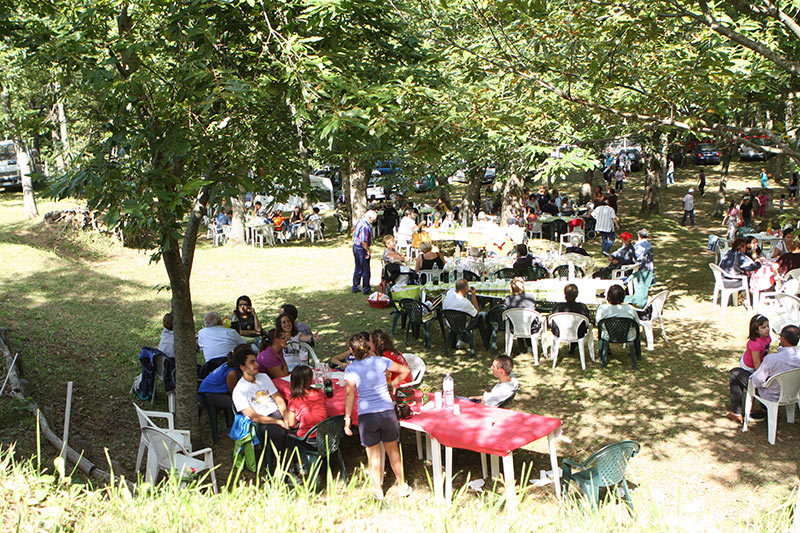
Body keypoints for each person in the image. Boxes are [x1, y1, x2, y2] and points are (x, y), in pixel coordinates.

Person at [344, 334, 412, 501]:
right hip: (387, 412)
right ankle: (402, 486)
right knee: (393, 451)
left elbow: (350, 395)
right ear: (368, 346)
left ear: (352, 351)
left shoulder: (351, 369)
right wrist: (394, 385)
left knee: (373, 455)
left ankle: (377, 490)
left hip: (367, 416)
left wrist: (347, 418)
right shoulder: (381, 361)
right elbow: (405, 370)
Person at [231, 347, 289, 457]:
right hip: (264, 420)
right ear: (242, 367)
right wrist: (278, 422)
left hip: (277, 412)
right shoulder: (239, 391)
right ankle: (279, 467)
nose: (257, 364)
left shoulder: (263, 377)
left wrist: (285, 415)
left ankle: (298, 460)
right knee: (277, 432)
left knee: (298, 422)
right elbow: (254, 416)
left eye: (256, 361)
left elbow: (278, 399)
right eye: (252, 362)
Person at [748, 325, 800, 420]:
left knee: (737, 375)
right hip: (794, 392)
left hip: (771, 395)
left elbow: (757, 381)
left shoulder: (772, 359)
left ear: (783, 339)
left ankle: (736, 412)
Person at [726, 315, 772, 423]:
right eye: (764, 327)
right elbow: (756, 362)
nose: (767, 329)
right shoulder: (755, 343)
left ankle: (736, 411)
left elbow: (767, 352)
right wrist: (760, 376)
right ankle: (739, 410)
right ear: (756, 330)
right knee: (750, 378)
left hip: (759, 363)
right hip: (748, 366)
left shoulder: (767, 338)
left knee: (738, 377)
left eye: (768, 326)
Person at [199, 344, 246, 415]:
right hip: (209, 395)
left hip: (218, 392)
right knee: (241, 404)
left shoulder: (231, 365)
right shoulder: (232, 372)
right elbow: (234, 393)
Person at [286, 365, 328, 438]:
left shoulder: (293, 399)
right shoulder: (319, 392)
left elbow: (291, 424)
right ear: (311, 379)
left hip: (307, 436)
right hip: (324, 433)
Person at [443, 278, 485, 350]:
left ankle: (461, 340)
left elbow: (450, 290)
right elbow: (476, 313)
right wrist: (473, 296)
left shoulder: (450, 292)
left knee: (465, 316)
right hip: (463, 325)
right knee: (483, 315)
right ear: (466, 288)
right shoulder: (465, 302)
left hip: (450, 322)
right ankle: (484, 342)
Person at [352, 209, 377, 295]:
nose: (373, 221)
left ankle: (355, 287)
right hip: (361, 248)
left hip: (355, 246)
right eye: (373, 220)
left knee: (358, 268)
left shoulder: (360, 221)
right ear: (370, 218)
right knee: (365, 270)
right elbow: (363, 241)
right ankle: (366, 289)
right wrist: (368, 250)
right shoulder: (365, 226)